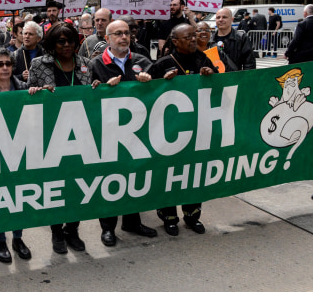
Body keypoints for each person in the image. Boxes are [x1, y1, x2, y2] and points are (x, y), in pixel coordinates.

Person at [88, 20, 158, 247]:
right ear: (107, 39)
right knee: (110, 179)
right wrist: (104, 89)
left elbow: (159, 93)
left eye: (126, 33)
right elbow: (86, 97)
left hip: (138, 133)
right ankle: (108, 228)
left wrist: (151, 82)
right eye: (117, 33)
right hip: (108, 133)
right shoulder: (96, 64)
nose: (123, 37)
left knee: (135, 177)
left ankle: (132, 221)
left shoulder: (142, 61)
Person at [0, 48, 42, 262]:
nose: (4, 68)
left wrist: (39, 93)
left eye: (8, 64)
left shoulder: (24, 87)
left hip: (20, 151)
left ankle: (18, 238)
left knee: (19, 196)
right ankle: (0, 240)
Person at [149, 24, 216, 236]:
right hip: (169, 133)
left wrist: (211, 74)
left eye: (194, 36)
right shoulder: (162, 64)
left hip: (197, 130)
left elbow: (221, 88)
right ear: (175, 42)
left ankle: (192, 215)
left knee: (194, 173)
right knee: (169, 174)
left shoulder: (203, 59)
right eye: (187, 37)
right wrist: (162, 83)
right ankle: (169, 217)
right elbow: (145, 92)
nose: (193, 40)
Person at [27, 22, 86, 254]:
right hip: (50, 137)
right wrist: (35, 93)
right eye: (61, 41)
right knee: (55, 185)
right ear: (52, 43)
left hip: (82, 136)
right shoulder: (39, 65)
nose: (67, 45)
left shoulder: (86, 65)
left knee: (79, 185)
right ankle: (56, 231)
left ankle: (73, 228)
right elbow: (29, 97)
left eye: (70, 40)